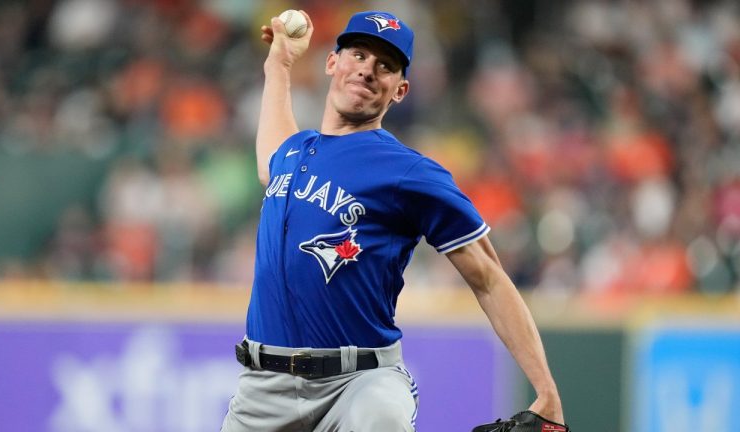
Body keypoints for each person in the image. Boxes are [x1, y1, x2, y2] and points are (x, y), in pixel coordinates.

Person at [221, 10, 564, 432]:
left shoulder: (409, 172)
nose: (367, 70)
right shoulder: (294, 153)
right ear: (332, 63)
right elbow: (269, 159)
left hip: (359, 382)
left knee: (380, 418)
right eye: (359, 54)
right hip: (262, 389)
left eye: (385, 66)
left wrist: (548, 394)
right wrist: (279, 64)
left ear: (399, 90)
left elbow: (489, 277)